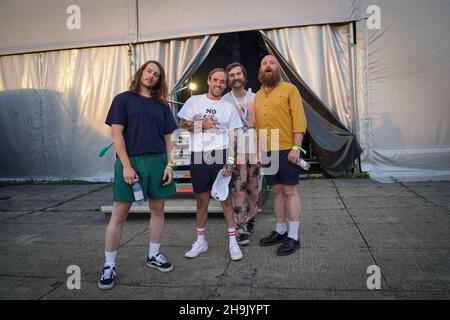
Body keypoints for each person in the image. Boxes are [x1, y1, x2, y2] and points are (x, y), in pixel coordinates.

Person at [99, 60, 178, 290]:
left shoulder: (162, 105)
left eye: (156, 74)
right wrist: (126, 166)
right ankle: (109, 265)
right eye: (149, 71)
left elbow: (168, 138)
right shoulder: (123, 99)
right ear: (141, 72)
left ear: (159, 80)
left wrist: (169, 165)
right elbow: (116, 133)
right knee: (119, 214)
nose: (152, 75)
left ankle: (154, 255)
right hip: (130, 162)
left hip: (157, 162)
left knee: (157, 210)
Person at [177, 68, 244, 261]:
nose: (218, 84)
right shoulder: (194, 101)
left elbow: (234, 137)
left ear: (225, 85)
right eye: (215, 80)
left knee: (226, 200)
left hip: (220, 155)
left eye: (222, 82)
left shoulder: (228, 107)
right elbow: (182, 124)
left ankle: (233, 242)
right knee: (201, 201)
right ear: (208, 80)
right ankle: (201, 241)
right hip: (198, 156)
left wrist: (230, 161)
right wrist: (201, 125)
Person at [254, 55, 307, 256]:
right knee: (276, 191)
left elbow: (299, 120)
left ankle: (293, 236)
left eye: (272, 63)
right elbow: (258, 127)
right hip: (268, 150)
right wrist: (259, 152)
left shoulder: (290, 89)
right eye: (264, 63)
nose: (268, 66)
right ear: (260, 69)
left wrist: (296, 148)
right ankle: (280, 230)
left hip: (287, 148)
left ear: (277, 68)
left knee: (290, 191)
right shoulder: (257, 96)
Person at [222, 62, 259, 246]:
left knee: (253, 190)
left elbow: (262, 125)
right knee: (238, 190)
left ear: (244, 76)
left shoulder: (256, 97)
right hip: (235, 152)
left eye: (238, 74)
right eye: (232, 75)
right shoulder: (225, 101)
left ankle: (251, 219)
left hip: (254, 150)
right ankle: (240, 228)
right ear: (228, 79)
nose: (235, 77)